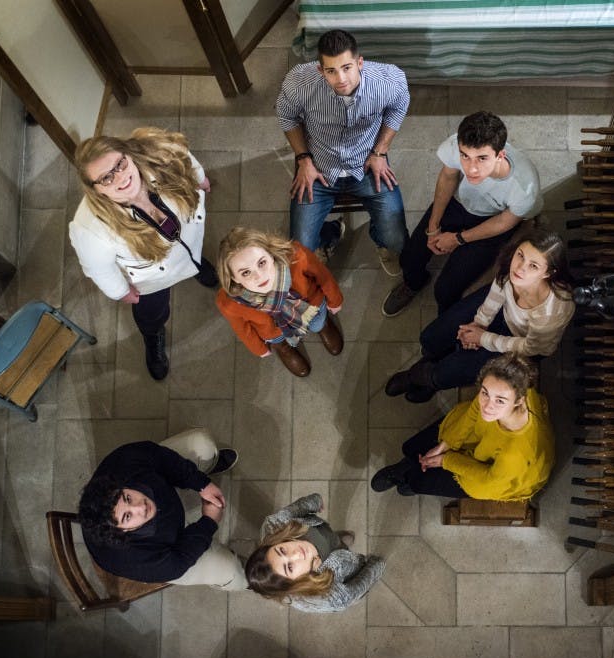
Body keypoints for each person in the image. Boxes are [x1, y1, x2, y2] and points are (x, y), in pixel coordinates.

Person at [69, 127, 217, 381]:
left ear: (128, 154)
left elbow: (185, 160)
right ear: (96, 190)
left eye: (120, 164)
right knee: (153, 312)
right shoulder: (89, 229)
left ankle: (195, 264)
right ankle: (153, 335)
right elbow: (98, 268)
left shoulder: (159, 152)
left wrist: (199, 178)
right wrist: (121, 291)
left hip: (187, 236)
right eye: (106, 178)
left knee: (190, 249)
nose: (120, 178)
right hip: (151, 278)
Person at [386, 228, 576, 403]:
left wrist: (483, 338)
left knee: (449, 372)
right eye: (520, 255)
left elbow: (532, 347)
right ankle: (429, 362)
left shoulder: (553, 310)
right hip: (503, 312)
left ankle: (422, 378)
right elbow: (496, 292)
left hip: (521, 343)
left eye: (533, 265)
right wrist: (479, 323)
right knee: (435, 335)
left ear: (548, 273)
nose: (519, 268)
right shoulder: (513, 267)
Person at [382, 111, 543, 317]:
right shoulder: (455, 146)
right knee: (410, 259)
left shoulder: (524, 186)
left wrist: (458, 239)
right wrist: (433, 226)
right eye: (465, 156)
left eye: (482, 158)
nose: (471, 169)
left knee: (446, 289)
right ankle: (413, 284)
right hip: (458, 203)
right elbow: (448, 179)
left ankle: (446, 319)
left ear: (500, 155)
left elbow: (504, 222)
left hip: (493, 219)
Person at [276, 28, 410, 274]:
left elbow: (399, 106)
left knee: (398, 241)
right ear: (320, 70)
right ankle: (330, 234)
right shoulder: (299, 83)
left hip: (367, 164)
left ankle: (380, 239)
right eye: (331, 71)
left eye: (347, 67)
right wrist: (304, 159)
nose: (341, 79)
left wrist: (380, 152)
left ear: (360, 62)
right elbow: (287, 116)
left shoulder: (389, 81)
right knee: (300, 251)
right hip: (319, 167)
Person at [372, 354, 554, 499]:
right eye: (485, 393)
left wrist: (446, 459)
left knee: (417, 480)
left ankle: (408, 480)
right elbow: (475, 407)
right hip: (482, 437)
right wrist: (446, 444)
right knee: (412, 447)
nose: (487, 406)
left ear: (519, 401)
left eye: (500, 400)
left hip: (496, 476)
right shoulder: (507, 387)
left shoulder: (517, 454)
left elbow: (488, 478)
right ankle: (406, 467)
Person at [77, 428, 243, 588]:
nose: (140, 507)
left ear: (120, 486)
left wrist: (201, 483)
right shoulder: (134, 560)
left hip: (162, 491)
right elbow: (178, 563)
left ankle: (208, 464)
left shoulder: (124, 462)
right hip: (170, 552)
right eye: (127, 516)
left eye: (127, 498)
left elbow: (160, 457)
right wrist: (208, 522)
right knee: (230, 570)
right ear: (122, 532)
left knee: (203, 444)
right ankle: (251, 578)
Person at [215, 227, 344, 377]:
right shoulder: (229, 302)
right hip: (272, 330)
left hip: (311, 306)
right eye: (246, 272)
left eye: (262, 263)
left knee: (318, 321)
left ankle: (323, 326)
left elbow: (323, 276)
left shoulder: (296, 256)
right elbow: (242, 329)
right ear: (234, 278)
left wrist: (335, 300)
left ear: (270, 253)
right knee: (280, 342)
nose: (259, 276)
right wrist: (259, 349)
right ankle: (285, 349)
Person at [245, 493, 385, 613]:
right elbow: (353, 591)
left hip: (325, 535)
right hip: (350, 572)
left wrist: (315, 502)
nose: (297, 553)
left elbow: (298, 507)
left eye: (282, 550)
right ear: (293, 584)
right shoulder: (327, 597)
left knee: (334, 539)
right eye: (290, 567)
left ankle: (338, 540)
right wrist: (375, 565)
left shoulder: (276, 524)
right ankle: (341, 546)